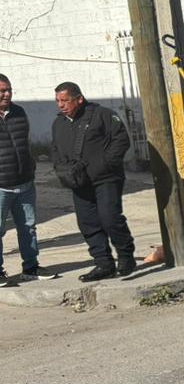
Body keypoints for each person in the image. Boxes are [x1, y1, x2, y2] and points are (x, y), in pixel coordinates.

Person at [51, 81, 135, 282]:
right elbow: (55, 148)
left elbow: (121, 140)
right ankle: (103, 263)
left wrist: (105, 164)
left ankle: (125, 257)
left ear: (79, 99)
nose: (60, 105)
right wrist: (62, 169)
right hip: (79, 182)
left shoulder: (102, 115)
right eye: (57, 101)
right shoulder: (59, 123)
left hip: (106, 178)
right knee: (87, 222)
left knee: (109, 217)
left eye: (65, 100)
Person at [0, 73, 55, 285]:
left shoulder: (18, 112)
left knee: (28, 227)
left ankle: (31, 267)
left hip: (24, 183)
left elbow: (24, 144)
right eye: (2, 91)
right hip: (1, 187)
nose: (7, 94)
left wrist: (30, 168)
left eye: (9, 89)